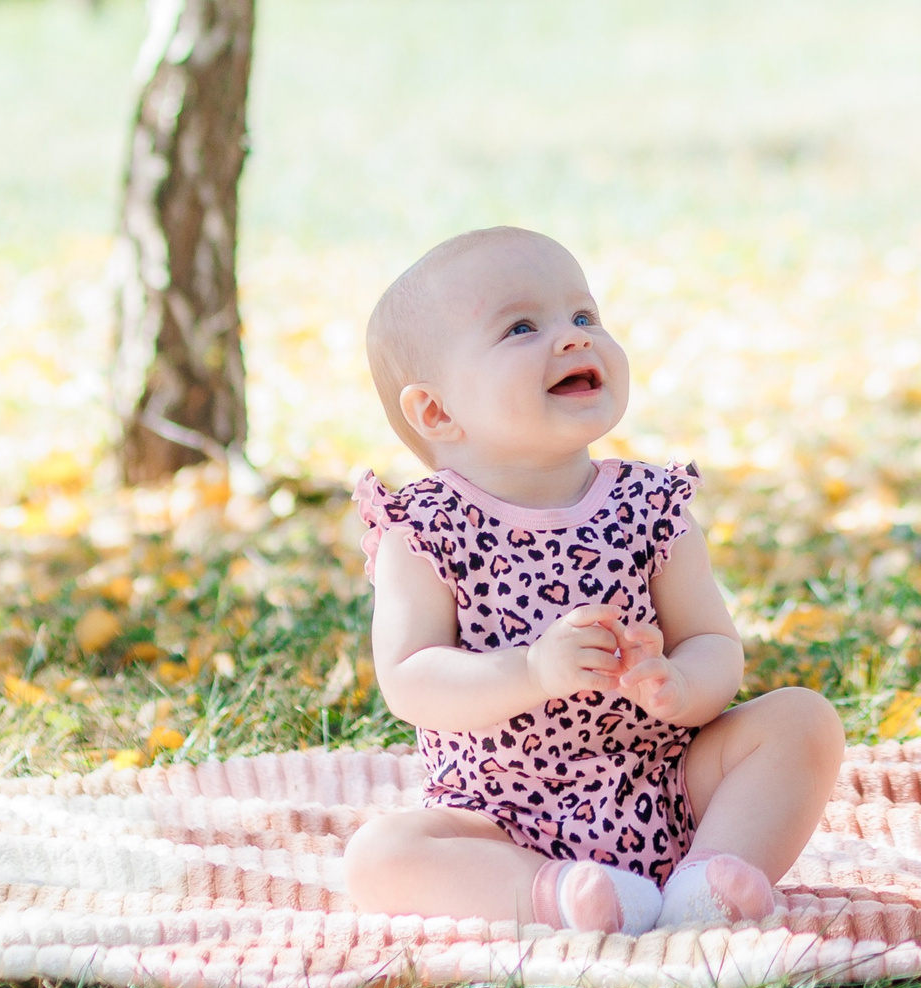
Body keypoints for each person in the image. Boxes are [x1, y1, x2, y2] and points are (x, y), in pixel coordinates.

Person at [342, 226, 844, 933]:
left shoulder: (649, 506)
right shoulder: (425, 528)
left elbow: (713, 641)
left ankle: (709, 877)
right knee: (378, 855)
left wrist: (677, 681)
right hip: (502, 817)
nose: (574, 338)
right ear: (437, 411)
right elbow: (411, 678)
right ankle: (564, 896)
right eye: (521, 326)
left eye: (584, 316)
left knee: (803, 720)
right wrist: (531, 670)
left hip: (664, 786)